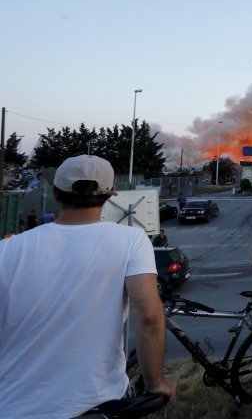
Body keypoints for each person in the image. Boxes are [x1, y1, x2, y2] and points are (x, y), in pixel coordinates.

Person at [0, 155, 176, 417]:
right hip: (93, 406)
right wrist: (156, 383)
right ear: (110, 194)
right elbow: (149, 317)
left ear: (55, 191)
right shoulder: (131, 241)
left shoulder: (7, 249)